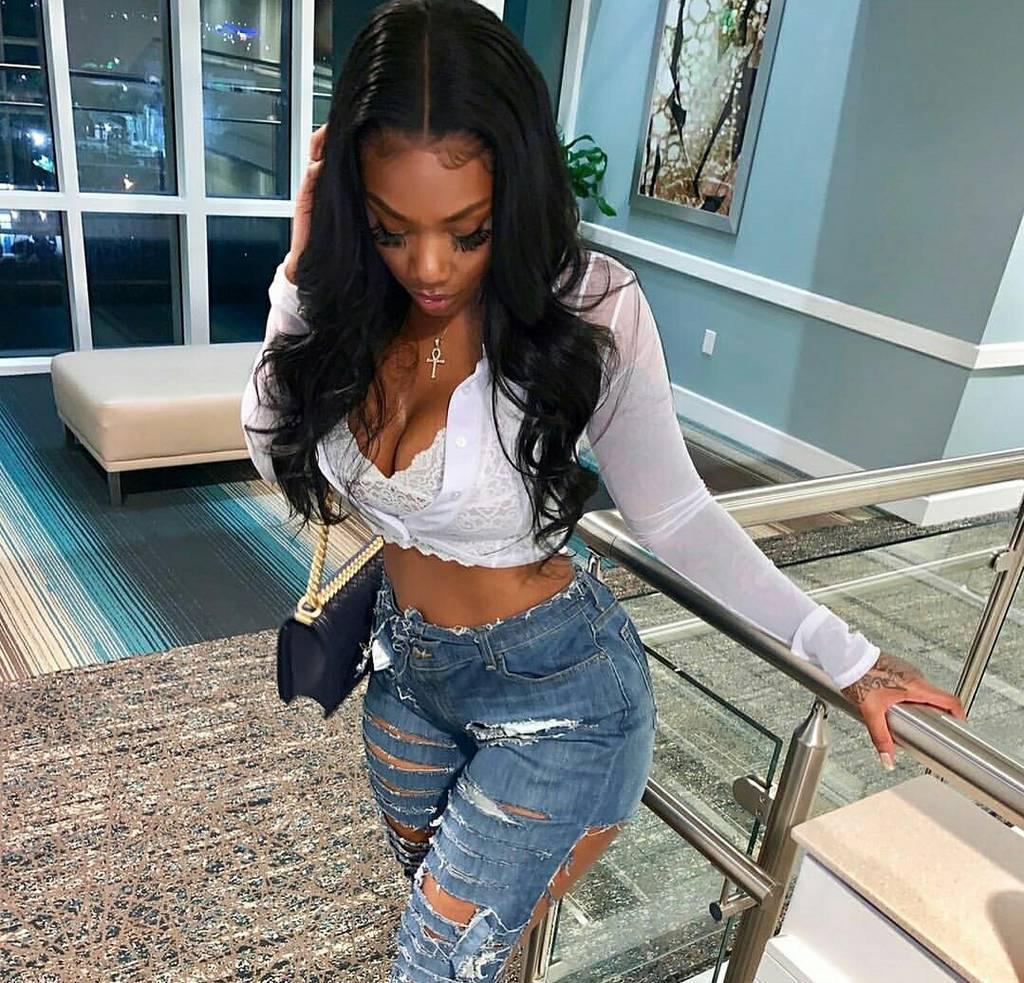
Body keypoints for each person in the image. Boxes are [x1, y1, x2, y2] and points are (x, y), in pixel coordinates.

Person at [240, 2, 966, 979]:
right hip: (405, 674)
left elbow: (677, 513)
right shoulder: (349, 299)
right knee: (456, 936)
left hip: (560, 694)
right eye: (390, 229)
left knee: (432, 961)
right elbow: (271, 443)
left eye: (467, 230)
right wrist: (302, 270)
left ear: (517, 190)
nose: (429, 267)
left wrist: (850, 657)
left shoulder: (590, 307)